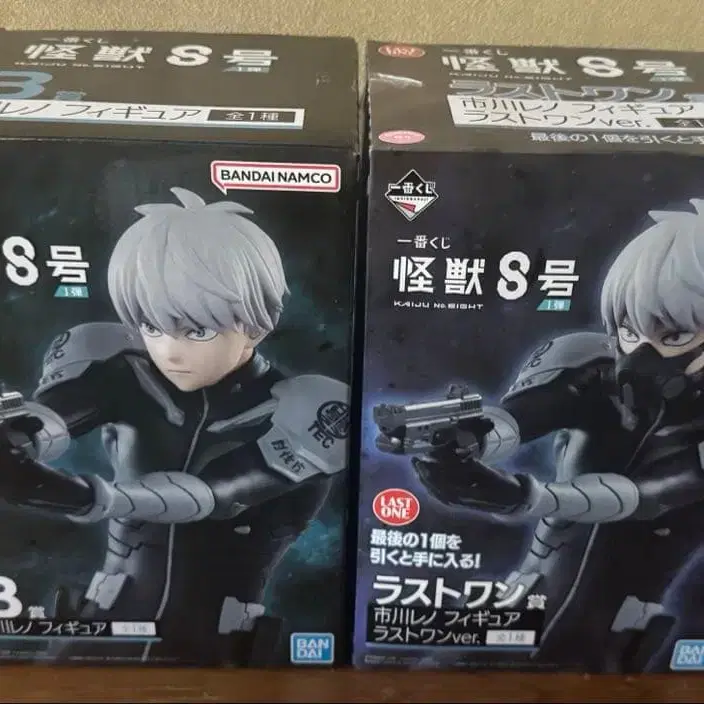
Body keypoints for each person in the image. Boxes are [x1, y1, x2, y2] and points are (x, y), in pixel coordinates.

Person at [0, 187, 350, 665]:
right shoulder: (121, 367)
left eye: (197, 330)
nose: (169, 350)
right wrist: (18, 439)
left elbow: (218, 494)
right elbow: (54, 414)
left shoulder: (313, 407)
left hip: (219, 651)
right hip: (99, 633)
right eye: (151, 325)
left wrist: (87, 496)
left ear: (256, 323)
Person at [388, 199, 704, 672]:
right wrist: (467, 438)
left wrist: (525, 497)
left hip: (607, 637)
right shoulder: (594, 365)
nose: (639, 355)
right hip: (520, 598)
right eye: (629, 330)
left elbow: (647, 495)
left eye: (674, 336)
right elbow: (522, 415)